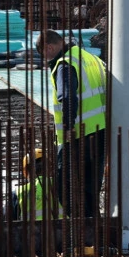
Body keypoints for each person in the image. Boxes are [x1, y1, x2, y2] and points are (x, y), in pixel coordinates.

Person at [37, 29, 109, 217]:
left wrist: (68, 127)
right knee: (91, 189)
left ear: (49, 48)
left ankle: (81, 237)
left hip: (78, 135)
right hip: (100, 132)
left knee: (66, 188)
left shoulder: (65, 65)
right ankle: (93, 236)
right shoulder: (89, 57)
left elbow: (67, 97)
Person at [6, 150, 64, 223]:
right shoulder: (61, 185)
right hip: (62, 232)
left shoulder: (18, 193)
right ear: (50, 169)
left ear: (26, 172)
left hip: (30, 233)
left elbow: (7, 222)